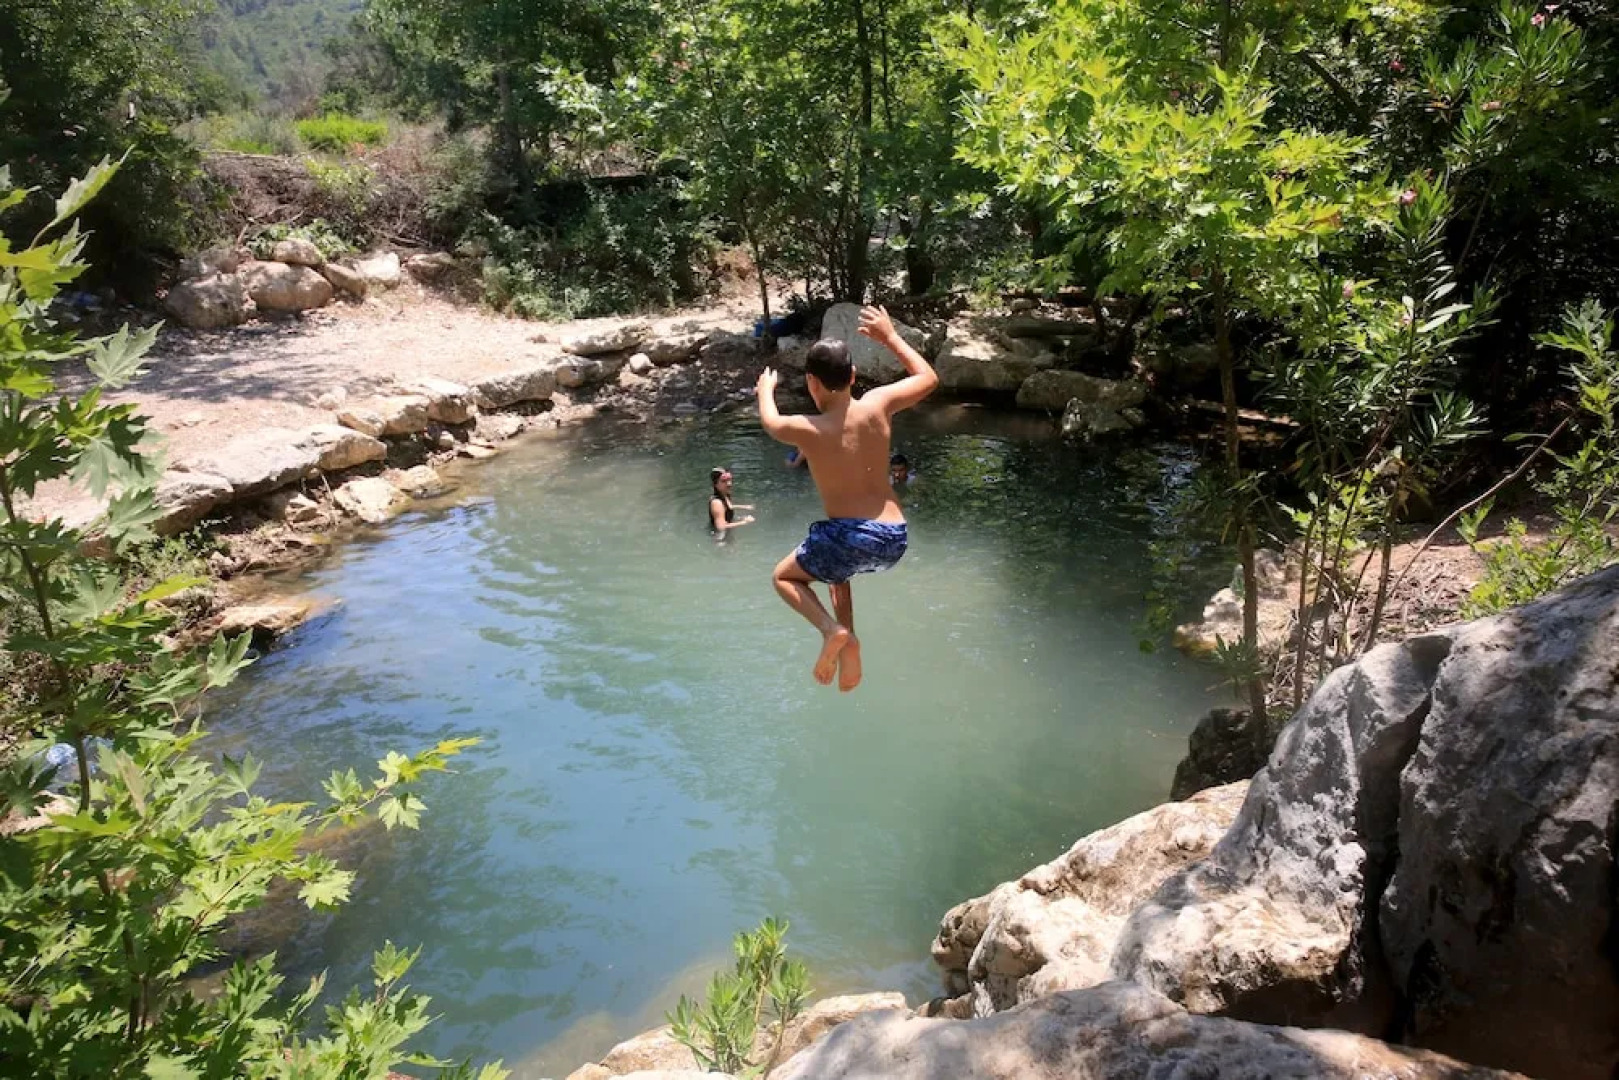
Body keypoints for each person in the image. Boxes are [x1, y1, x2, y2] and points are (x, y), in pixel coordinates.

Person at [756, 305, 939, 690]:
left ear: (811, 383)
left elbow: (771, 422)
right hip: (894, 537)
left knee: (784, 577)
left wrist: (765, 392)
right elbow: (928, 377)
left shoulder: (809, 428)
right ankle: (849, 639)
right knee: (837, 569)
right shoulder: (878, 405)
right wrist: (889, 337)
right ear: (854, 376)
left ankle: (829, 631)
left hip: (851, 535)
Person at [708, 467, 755, 538]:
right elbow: (721, 527)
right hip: (721, 538)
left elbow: (729, 506)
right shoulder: (717, 503)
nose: (729, 484)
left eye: (729, 480)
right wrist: (745, 522)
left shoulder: (724, 494)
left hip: (727, 534)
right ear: (716, 485)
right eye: (724, 481)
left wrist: (745, 507)